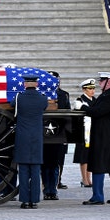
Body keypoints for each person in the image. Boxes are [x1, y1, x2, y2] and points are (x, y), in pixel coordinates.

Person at [81, 72, 110, 205]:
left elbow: (97, 112)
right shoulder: (106, 95)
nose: (99, 83)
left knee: (99, 164)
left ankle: (98, 196)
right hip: (106, 133)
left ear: (109, 82)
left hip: (104, 134)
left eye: (102, 81)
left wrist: (83, 107)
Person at [10, 73, 48, 209]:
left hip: (23, 137)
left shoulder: (19, 98)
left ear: (25, 84)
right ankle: (35, 200)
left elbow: (12, 105)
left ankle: (25, 200)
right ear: (36, 84)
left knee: (24, 170)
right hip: (36, 138)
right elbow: (44, 108)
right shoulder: (43, 99)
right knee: (36, 171)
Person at [41, 71, 69, 199]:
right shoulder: (41, 94)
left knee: (55, 163)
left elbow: (67, 114)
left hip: (58, 133)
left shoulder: (63, 95)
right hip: (43, 133)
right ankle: (47, 189)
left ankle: (53, 189)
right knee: (45, 164)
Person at [73, 78, 96, 188]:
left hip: (93, 131)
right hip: (83, 132)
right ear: (84, 89)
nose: (92, 91)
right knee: (83, 156)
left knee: (91, 155)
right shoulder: (80, 100)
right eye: (89, 89)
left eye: (93, 88)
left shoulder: (95, 100)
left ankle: (89, 178)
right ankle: (84, 179)